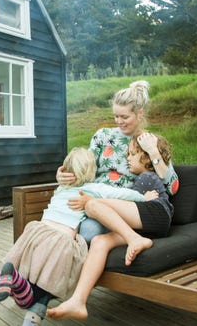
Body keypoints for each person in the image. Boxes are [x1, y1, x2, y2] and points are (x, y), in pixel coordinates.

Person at [0, 148, 155, 325]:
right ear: (90, 172)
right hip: (61, 237)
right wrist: (143, 197)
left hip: (37, 231)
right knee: (51, 279)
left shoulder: (61, 188)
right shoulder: (93, 188)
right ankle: (18, 285)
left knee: (27, 267)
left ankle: (0, 276)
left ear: (67, 171)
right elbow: (122, 194)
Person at [47, 133, 174, 321]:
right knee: (99, 242)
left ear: (146, 157)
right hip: (144, 226)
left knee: (91, 205)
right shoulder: (135, 176)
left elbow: (136, 200)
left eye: (132, 154)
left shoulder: (147, 178)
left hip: (157, 214)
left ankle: (134, 239)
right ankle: (78, 301)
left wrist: (92, 199)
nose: (127, 158)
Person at [57, 80, 179, 244]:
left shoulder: (149, 141)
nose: (119, 121)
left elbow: (173, 187)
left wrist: (153, 152)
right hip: (91, 196)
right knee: (56, 226)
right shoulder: (103, 136)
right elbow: (85, 169)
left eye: (124, 117)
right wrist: (63, 175)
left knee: (88, 231)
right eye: (116, 116)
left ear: (140, 113)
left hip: (119, 207)